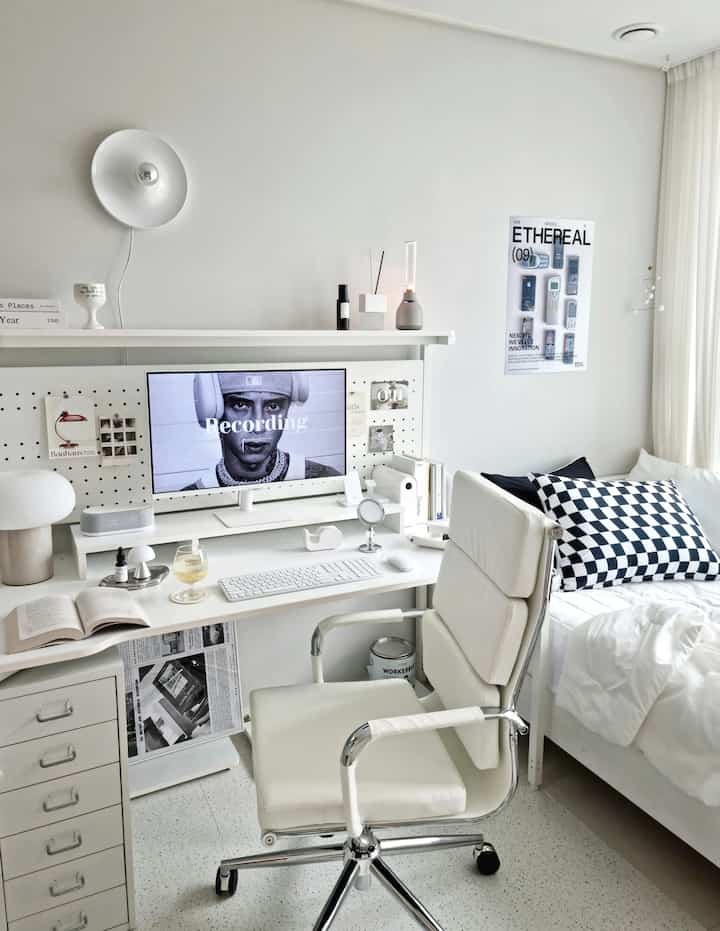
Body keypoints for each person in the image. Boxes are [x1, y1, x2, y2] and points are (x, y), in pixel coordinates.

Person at [184, 372, 339, 489]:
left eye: (273, 407)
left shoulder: (328, 481)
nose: (258, 426)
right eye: (240, 405)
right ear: (213, 409)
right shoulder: (188, 502)